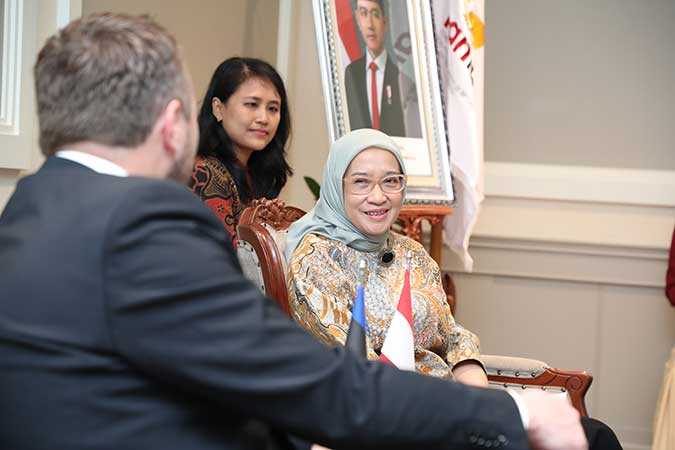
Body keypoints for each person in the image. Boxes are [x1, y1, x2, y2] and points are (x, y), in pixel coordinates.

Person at [0, 12, 588, 450]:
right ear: (174, 122)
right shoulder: (143, 226)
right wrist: (511, 414)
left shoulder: (27, 212)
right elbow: (301, 378)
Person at [285, 128, 623, 450]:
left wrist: (484, 404)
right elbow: (359, 368)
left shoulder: (411, 252)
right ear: (337, 187)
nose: (379, 196)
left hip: (453, 409)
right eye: (361, 182)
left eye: (391, 181)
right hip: (391, 421)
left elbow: (454, 338)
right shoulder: (315, 259)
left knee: (592, 436)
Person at [189, 57, 292, 245]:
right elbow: (219, 255)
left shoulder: (252, 174)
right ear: (218, 109)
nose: (263, 118)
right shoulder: (206, 173)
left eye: (273, 108)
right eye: (252, 104)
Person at [344, 0, 406, 137]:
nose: (370, 25)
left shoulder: (399, 76)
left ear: (385, 23)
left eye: (375, 14)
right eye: (364, 14)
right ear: (357, 20)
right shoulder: (351, 74)